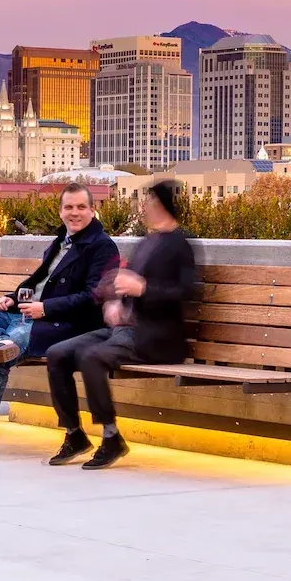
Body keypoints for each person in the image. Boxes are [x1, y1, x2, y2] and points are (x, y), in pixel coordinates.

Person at [0, 183, 118, 457]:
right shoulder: (60, 242)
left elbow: (93, 298)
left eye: (81, 207)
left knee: (0, 357)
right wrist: (11, 299)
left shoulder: (102, 247)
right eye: (69, 207)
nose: (74, 213)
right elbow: (36, 282)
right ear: (61, 211)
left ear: (92, 210)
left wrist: (46, 309)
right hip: (29, 315)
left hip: (63, 324)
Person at [44, 179, 197, 469]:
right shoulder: (147, 242)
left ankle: (111, 437)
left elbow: (187, 291)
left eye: (151, 202)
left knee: (91, 358)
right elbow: (127, 285)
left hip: (157, 335)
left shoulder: (181, 245)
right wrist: (116, 302)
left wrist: (145, 289)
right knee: (58, 353)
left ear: (164, 206)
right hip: (124, 329)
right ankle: (74, 434)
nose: (146, 207)